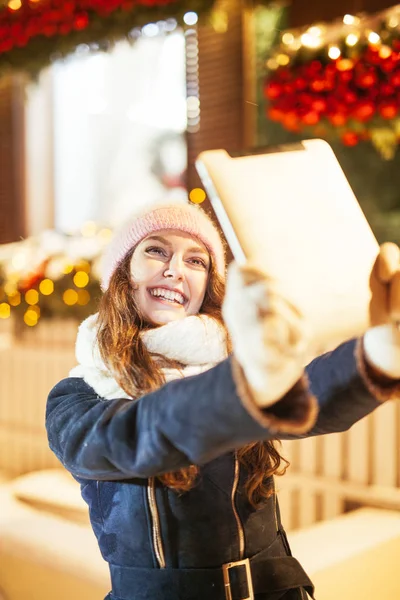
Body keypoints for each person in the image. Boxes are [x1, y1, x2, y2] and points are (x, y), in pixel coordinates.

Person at [46, 200, 400, 600]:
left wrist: (380, 353)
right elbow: (133, 437)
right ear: (120, 274)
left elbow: (307, 392)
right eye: (156, 251)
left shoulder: (235, 359)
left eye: (196, 261)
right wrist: (245, 387)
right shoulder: (76, 396)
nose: (175, 269)